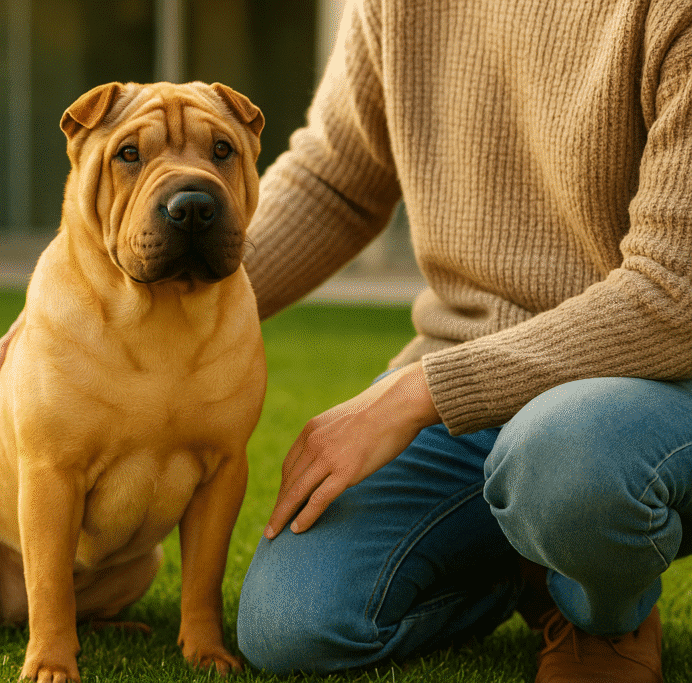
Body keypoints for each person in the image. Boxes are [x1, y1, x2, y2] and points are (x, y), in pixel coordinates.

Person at [235, 1, 692, 681]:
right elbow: (335, 180)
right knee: (290, 624)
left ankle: (603, 613)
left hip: (645, 390)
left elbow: (672, 295)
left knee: (564, 461)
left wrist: (420, 389)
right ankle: (525, 562)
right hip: (469, 393)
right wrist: (108, 312)